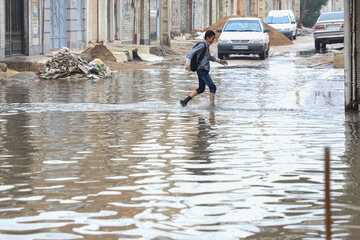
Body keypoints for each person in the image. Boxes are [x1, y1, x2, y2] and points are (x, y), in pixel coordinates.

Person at [180, 30, 228, 107]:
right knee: (213, 87)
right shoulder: (203, 45)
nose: (213, 41)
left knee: (201, 89)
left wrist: (220, 61)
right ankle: (212, 106)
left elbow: (209, 57)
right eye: (212, 38)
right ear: (208, 38)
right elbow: (190, 54)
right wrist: (187, 65)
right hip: (202, 70)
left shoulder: (206, 46)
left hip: (202, 70)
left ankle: (185, 101)